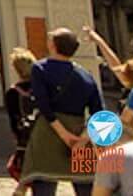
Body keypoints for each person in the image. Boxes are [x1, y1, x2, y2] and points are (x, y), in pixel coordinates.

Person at [25, 27, 107, 196]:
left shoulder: (40, 68)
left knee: (43, 184)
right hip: (80, 132)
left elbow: (43, 104)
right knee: (85, 185)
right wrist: (84, 138)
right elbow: (99, 112)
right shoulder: (86, 75)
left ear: (53, 45)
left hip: (49, 131)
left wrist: (64, 134)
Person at [9, 49, 41, 179]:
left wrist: (17, 137)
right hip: (45, 133)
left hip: (25, 137)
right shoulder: (42, 88)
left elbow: (13, 119)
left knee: (29, 173)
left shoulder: (12, 92)